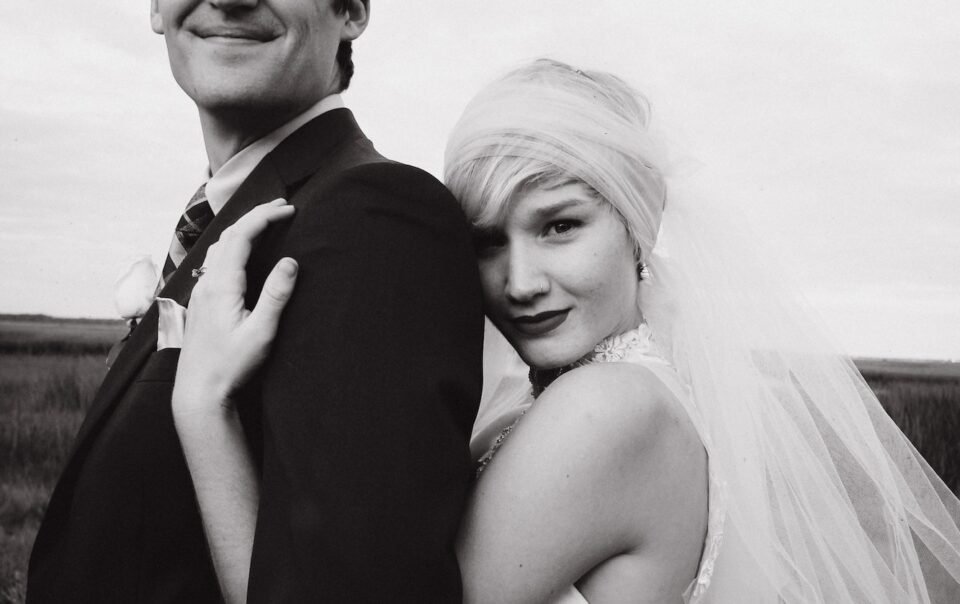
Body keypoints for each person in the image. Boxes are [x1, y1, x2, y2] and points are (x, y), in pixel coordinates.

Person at [175, 58, 960, 602]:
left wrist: (204, 412)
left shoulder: (609, 410)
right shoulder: (600, 397)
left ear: (638, 224)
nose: (519, 282)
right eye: (487, 241)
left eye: (559, 226)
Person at [27, 1, 484, 602]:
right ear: (157, 7)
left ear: (351, 10)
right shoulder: (235, 211)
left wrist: (203, 407)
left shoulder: (375, 219)